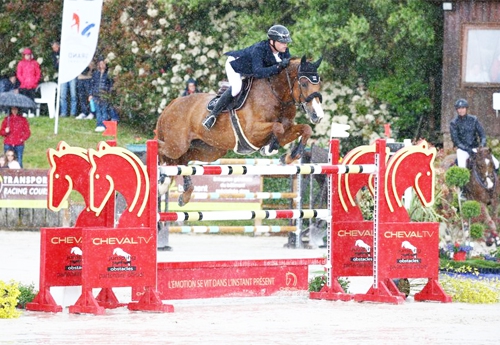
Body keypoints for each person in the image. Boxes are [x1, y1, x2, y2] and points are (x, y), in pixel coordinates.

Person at [202, 24, 292, 130]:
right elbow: (259, 72)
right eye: (282, 42)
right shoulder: (260, 49)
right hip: (235, 64)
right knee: (236, 88)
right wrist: (277, 67)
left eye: (286, 42)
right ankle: (212, 115)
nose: (285, 45)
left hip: (251, 70)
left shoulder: (284, 51)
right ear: (272, 41)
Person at [450, 98, 499, 170]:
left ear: (466, 108)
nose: (461, 110)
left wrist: (482, 144)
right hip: (463, 150)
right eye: (459, 108)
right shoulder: (454, 123)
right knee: (462, 167)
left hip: (476, 148)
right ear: (457, 110)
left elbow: (482, 134)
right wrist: (466, 148)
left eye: (463, 108)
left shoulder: (473, 119)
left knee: (496, 163)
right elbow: (456, 140)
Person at [52, 41, 77, 117]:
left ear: (59, 46)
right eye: (53, 48)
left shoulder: (67, 52)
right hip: (63, 75)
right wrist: (58, 63)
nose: (54, 49)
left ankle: (73, 113)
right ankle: (63, 112)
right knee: (62, 95)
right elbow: (55, 67)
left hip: (71, 74)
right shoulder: (54, 54)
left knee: (73, 94)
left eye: (55, 47)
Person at [89, 57, 114, 132]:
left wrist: (108, 93)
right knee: (98, 111)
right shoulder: (96, 74)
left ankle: (104, 125)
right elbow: (92, 84)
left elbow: (110, 85)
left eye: (103, 64)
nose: (102, 65)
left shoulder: (108, 74)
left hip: (104, 95)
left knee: (104, 110)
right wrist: (91, 94)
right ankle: (99, 124)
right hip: (96, 94)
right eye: (100, 64)